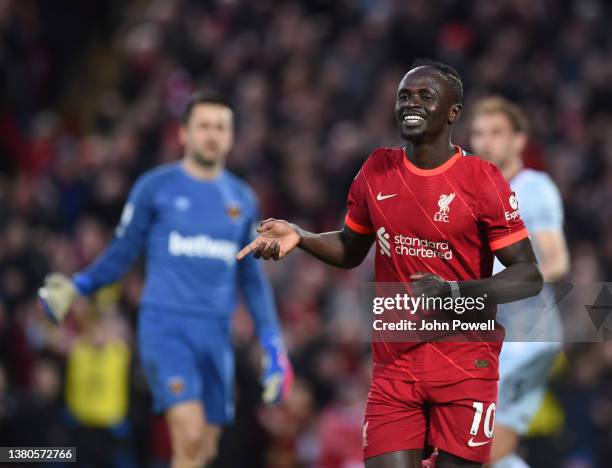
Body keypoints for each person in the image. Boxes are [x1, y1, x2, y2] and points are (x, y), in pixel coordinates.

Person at [236, 59, 543, 468]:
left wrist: (453, 292)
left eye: (425, 96)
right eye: (404, 96)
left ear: (453, 112)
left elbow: (528, 275)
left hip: (465, 363)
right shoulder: (377, 170)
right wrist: (302, 236)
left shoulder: (481, 179)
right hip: (395, 366)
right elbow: (350, 248)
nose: (410, 103)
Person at [38, 91, 293, 468]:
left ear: (230, 136)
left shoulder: (242, 199)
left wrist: (273, 344)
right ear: (184, 133)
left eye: (221, 127)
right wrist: (80, 285)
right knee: (188, 434)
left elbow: (252, 279)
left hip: (215, 331)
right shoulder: (155, 188)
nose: (212, 135)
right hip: (166, 325)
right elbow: (123, 250)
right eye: (204, 126)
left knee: (204, 447)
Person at [470, 96, 569, 468]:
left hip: (525, 340)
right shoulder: (475, 194)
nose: (486, 142)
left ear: (518, 140)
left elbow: (556, 260)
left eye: (497, 132)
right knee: (491, 453)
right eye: (479, 133)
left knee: (471, 442)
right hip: (497, 335)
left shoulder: (533, 187)